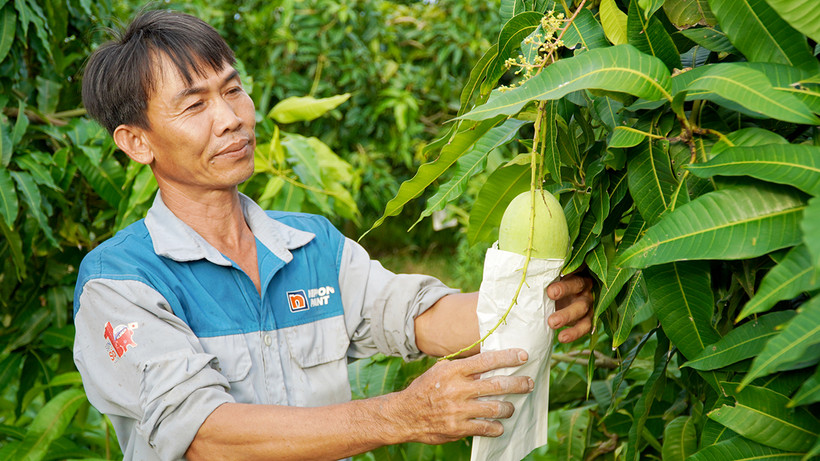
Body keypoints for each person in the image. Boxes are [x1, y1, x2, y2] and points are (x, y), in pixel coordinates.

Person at [73, 9, 594, 461]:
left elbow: (418, 316)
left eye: (233, 91)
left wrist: (538, 299)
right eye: (195, 105)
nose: (231, 119)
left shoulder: (310, 244)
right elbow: (207, 436)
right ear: (137, 142)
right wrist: (401, 416)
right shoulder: (120, 283)